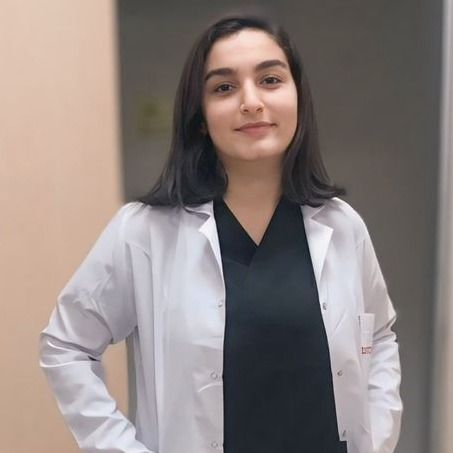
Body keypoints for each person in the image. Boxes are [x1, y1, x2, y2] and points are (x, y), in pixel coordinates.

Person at [39, 14, 403, 453]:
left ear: (297, 98)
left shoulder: (342, 226)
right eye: (224, 87)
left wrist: (377, 438)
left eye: (270, 80)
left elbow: (379, 336)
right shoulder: (144, 232)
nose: (251, 101)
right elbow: (67, 345)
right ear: (200, 117)